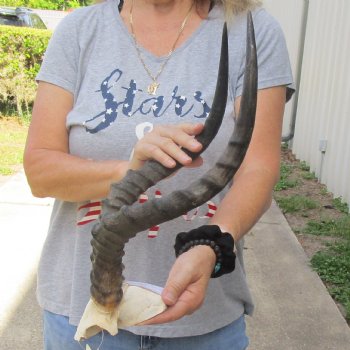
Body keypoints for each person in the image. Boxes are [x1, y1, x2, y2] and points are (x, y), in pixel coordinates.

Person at [24, 0, 294, 348]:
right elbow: (40, 171)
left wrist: (213, 243)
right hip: (87, 314)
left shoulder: (249, 29)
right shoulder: (80, 30)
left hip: (202, 323)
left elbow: (258, 167)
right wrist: (130, 171)